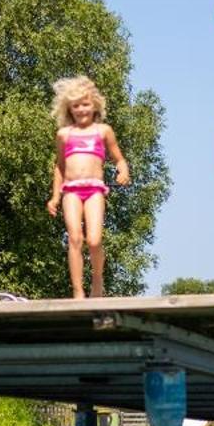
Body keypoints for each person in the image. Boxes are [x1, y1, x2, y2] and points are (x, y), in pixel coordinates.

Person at [46, 75, 131, 299]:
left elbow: (119, 159)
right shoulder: (64, 135)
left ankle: (97, 280)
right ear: (69, 109)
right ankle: (77, 291)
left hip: (94, 189)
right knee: (75, 238)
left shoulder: (103, 131)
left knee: (94, 240)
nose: (81, 109)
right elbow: (60, 167)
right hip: (71, 190)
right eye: (76, 106)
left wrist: (123, 171)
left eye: (85, 104)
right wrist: (55, 196)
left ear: (94, 105)